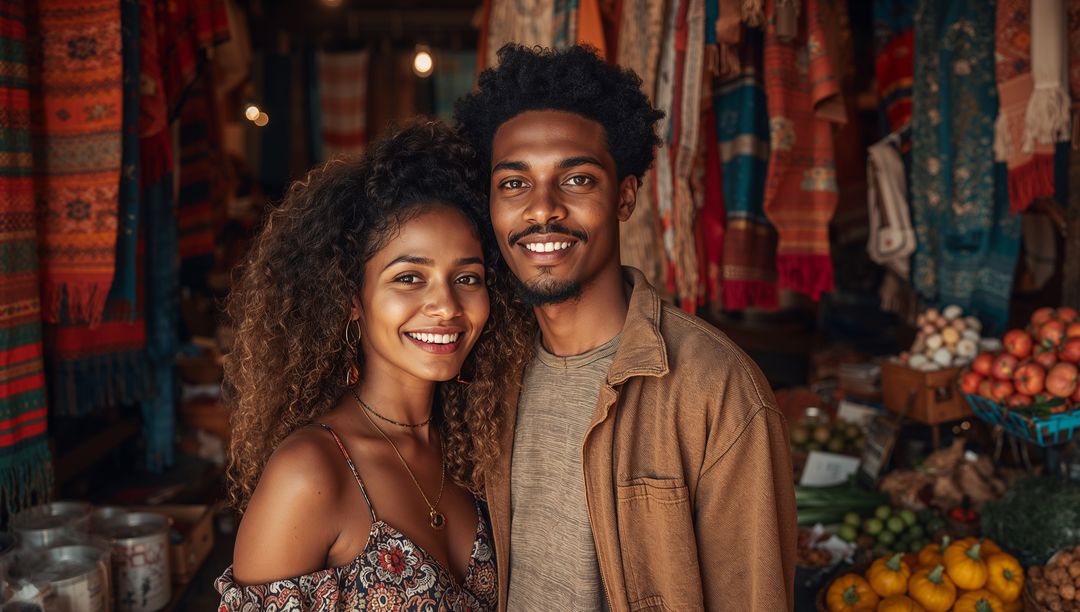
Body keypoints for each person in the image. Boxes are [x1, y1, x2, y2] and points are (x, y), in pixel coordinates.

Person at [454, 44, 798, 611]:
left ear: (625, 196)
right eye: (514, 184)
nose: (542, 209)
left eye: (578, 180)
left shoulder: (716, 390)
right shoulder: (485, 371)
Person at [216, 121, 532, 610]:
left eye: (467, 277)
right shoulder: (311, 473)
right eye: (409, 277)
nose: (446, 306)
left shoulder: (478, 451)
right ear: (351, 300)